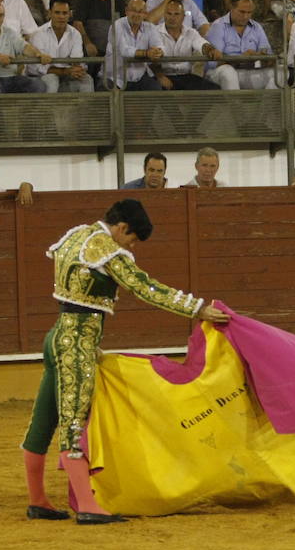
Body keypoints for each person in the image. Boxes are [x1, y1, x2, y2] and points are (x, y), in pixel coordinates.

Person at [19, 199, 230, 522]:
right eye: (131, 240)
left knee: (44, 419)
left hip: (58, 336)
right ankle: (88, 507)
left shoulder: (78, 235)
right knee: (75, 421)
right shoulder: (106, 249)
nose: (131, 246)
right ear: (121, 228)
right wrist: (196, 308)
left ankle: (38, 500)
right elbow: (145, 288)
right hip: (77, 342)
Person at [206, 0, 278, 89]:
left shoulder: (257, 27)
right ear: (232, 8)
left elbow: (269, 55)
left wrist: (262, 57)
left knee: (280, 73)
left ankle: (266, 104)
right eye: (242, 12)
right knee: (228, 72)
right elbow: (213, 63)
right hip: (220, 73)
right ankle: (235, 104)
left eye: (249, 12)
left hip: (249, 71)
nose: (245, 16)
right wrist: (240, 58)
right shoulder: (218, 26)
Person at [153, 0, 222, 90]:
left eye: (176, 14)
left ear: (183, 16)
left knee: (214, 89)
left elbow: (202, 44)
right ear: (164, 15)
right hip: (162, 76)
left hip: (186, 76)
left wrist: (210, 50)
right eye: (169, 14)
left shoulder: (191, 32)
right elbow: (150, 59)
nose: (172, 18)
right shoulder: (154, 32)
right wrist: (160, 76)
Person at [30, 0, 95, 93]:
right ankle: (49, 108)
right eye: (57, 13)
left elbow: (76, 60)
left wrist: (76, 70)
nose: (61, 16)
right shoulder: (38, 34)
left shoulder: (75, 34)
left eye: (65, 13)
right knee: (52, 80)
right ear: (50, 13)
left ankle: (87, 108)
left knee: (87, 79)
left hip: (67, 76)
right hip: (42, 77)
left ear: (69, 14)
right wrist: (65, 71)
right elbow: (39, 68)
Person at [105, 0, 164, 91]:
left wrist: (158, 52)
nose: (137, 14)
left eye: (140, 11)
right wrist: (147, 53)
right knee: (110, 96)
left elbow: (160, 46)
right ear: (126, 11)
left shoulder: (151, 27)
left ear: (145, 14)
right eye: (133, 10)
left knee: (156, 89)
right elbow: (124, 51)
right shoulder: (117, 26)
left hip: (140, 77)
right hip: (115, 78)